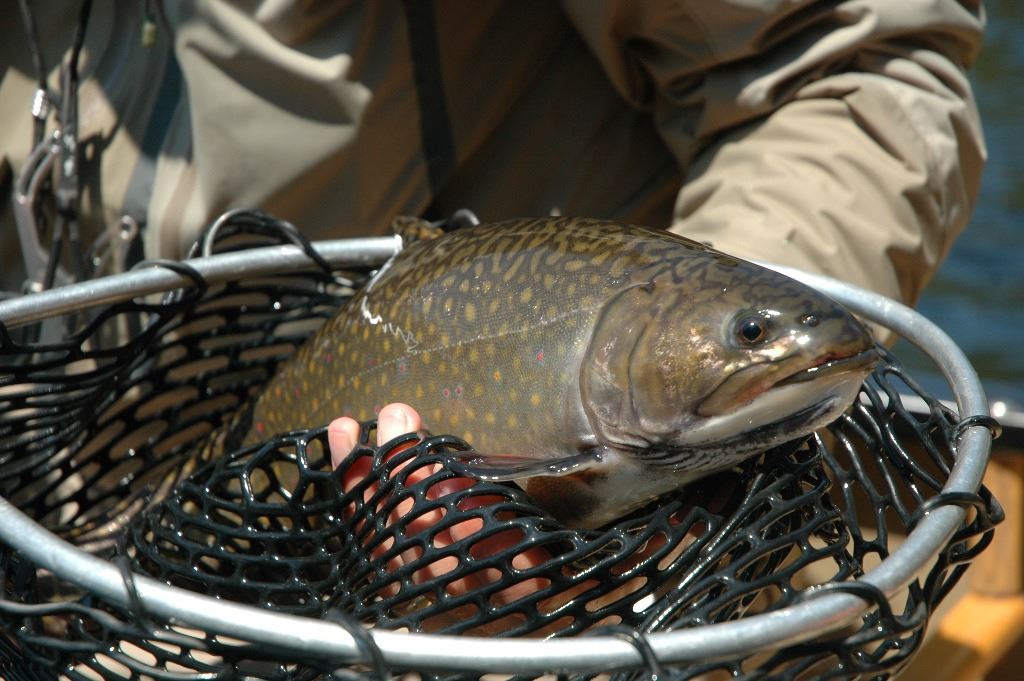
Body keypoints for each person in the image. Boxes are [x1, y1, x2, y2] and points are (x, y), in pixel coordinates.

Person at [0, 0, 986, 618]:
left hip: (587, 612)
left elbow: (853, 62)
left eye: (751, 336)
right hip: (126, 504)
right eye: (749, 336)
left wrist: (723, 411)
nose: (769, 345)